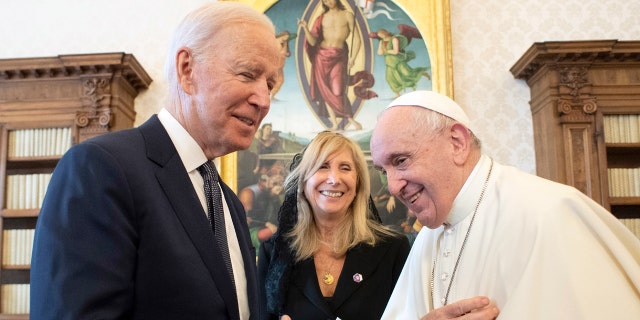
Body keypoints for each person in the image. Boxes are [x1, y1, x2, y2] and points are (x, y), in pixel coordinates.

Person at [29, 2, 283, 319]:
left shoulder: (228, 202)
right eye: (248, 74)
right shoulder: (101, 169)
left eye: (270, 84)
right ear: (187, 69)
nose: (263, 100)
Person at [370, 90, 640, 319]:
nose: (393, 187)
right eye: (384, 171)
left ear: (457, 143)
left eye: (401, 161)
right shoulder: (429, 238)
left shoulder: (550, 214)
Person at [258, 131, 410, 320]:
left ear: (358, 184)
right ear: (303, 181)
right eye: (322, 166)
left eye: (345, 168)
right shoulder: (274, 253)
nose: (334, 179)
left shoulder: (393, 250)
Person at [298, 0, 363, 131]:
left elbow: (357, 38)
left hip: (338, 56)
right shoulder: (321, 17)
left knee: (337, 89)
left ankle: (349, 118)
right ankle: (334, 123)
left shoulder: (347, 15)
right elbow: (312, 42)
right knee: (324, 91)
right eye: (325, 0)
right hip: (321, 56)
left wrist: (353, 57)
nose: (328, 2)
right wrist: (305, 28)